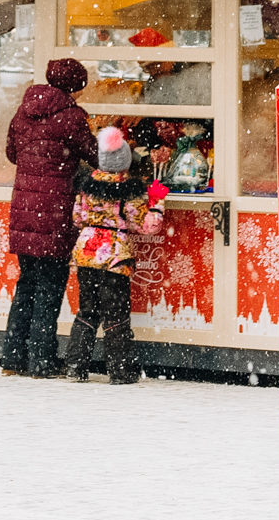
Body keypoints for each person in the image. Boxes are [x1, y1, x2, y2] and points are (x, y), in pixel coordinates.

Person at [1, 58, 96, 378]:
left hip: (25, 211)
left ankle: (12, 359)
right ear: (75, 86)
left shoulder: (23, 111)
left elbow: (12, 153)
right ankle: (42, 359)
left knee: (27, 283)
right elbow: (96, 156)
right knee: (50, 286)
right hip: (54, 213)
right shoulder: (71, 117)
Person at [65, 126, 166, 384]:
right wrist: (157, 205)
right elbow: (147, 226)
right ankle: (121, 370)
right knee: (116, 315)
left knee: (87, 311)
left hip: (86, 255)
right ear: (124, 162)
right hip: (115, 259)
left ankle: (76, 366)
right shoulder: (128, 191)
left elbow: (77, 218)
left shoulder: (86, 187)